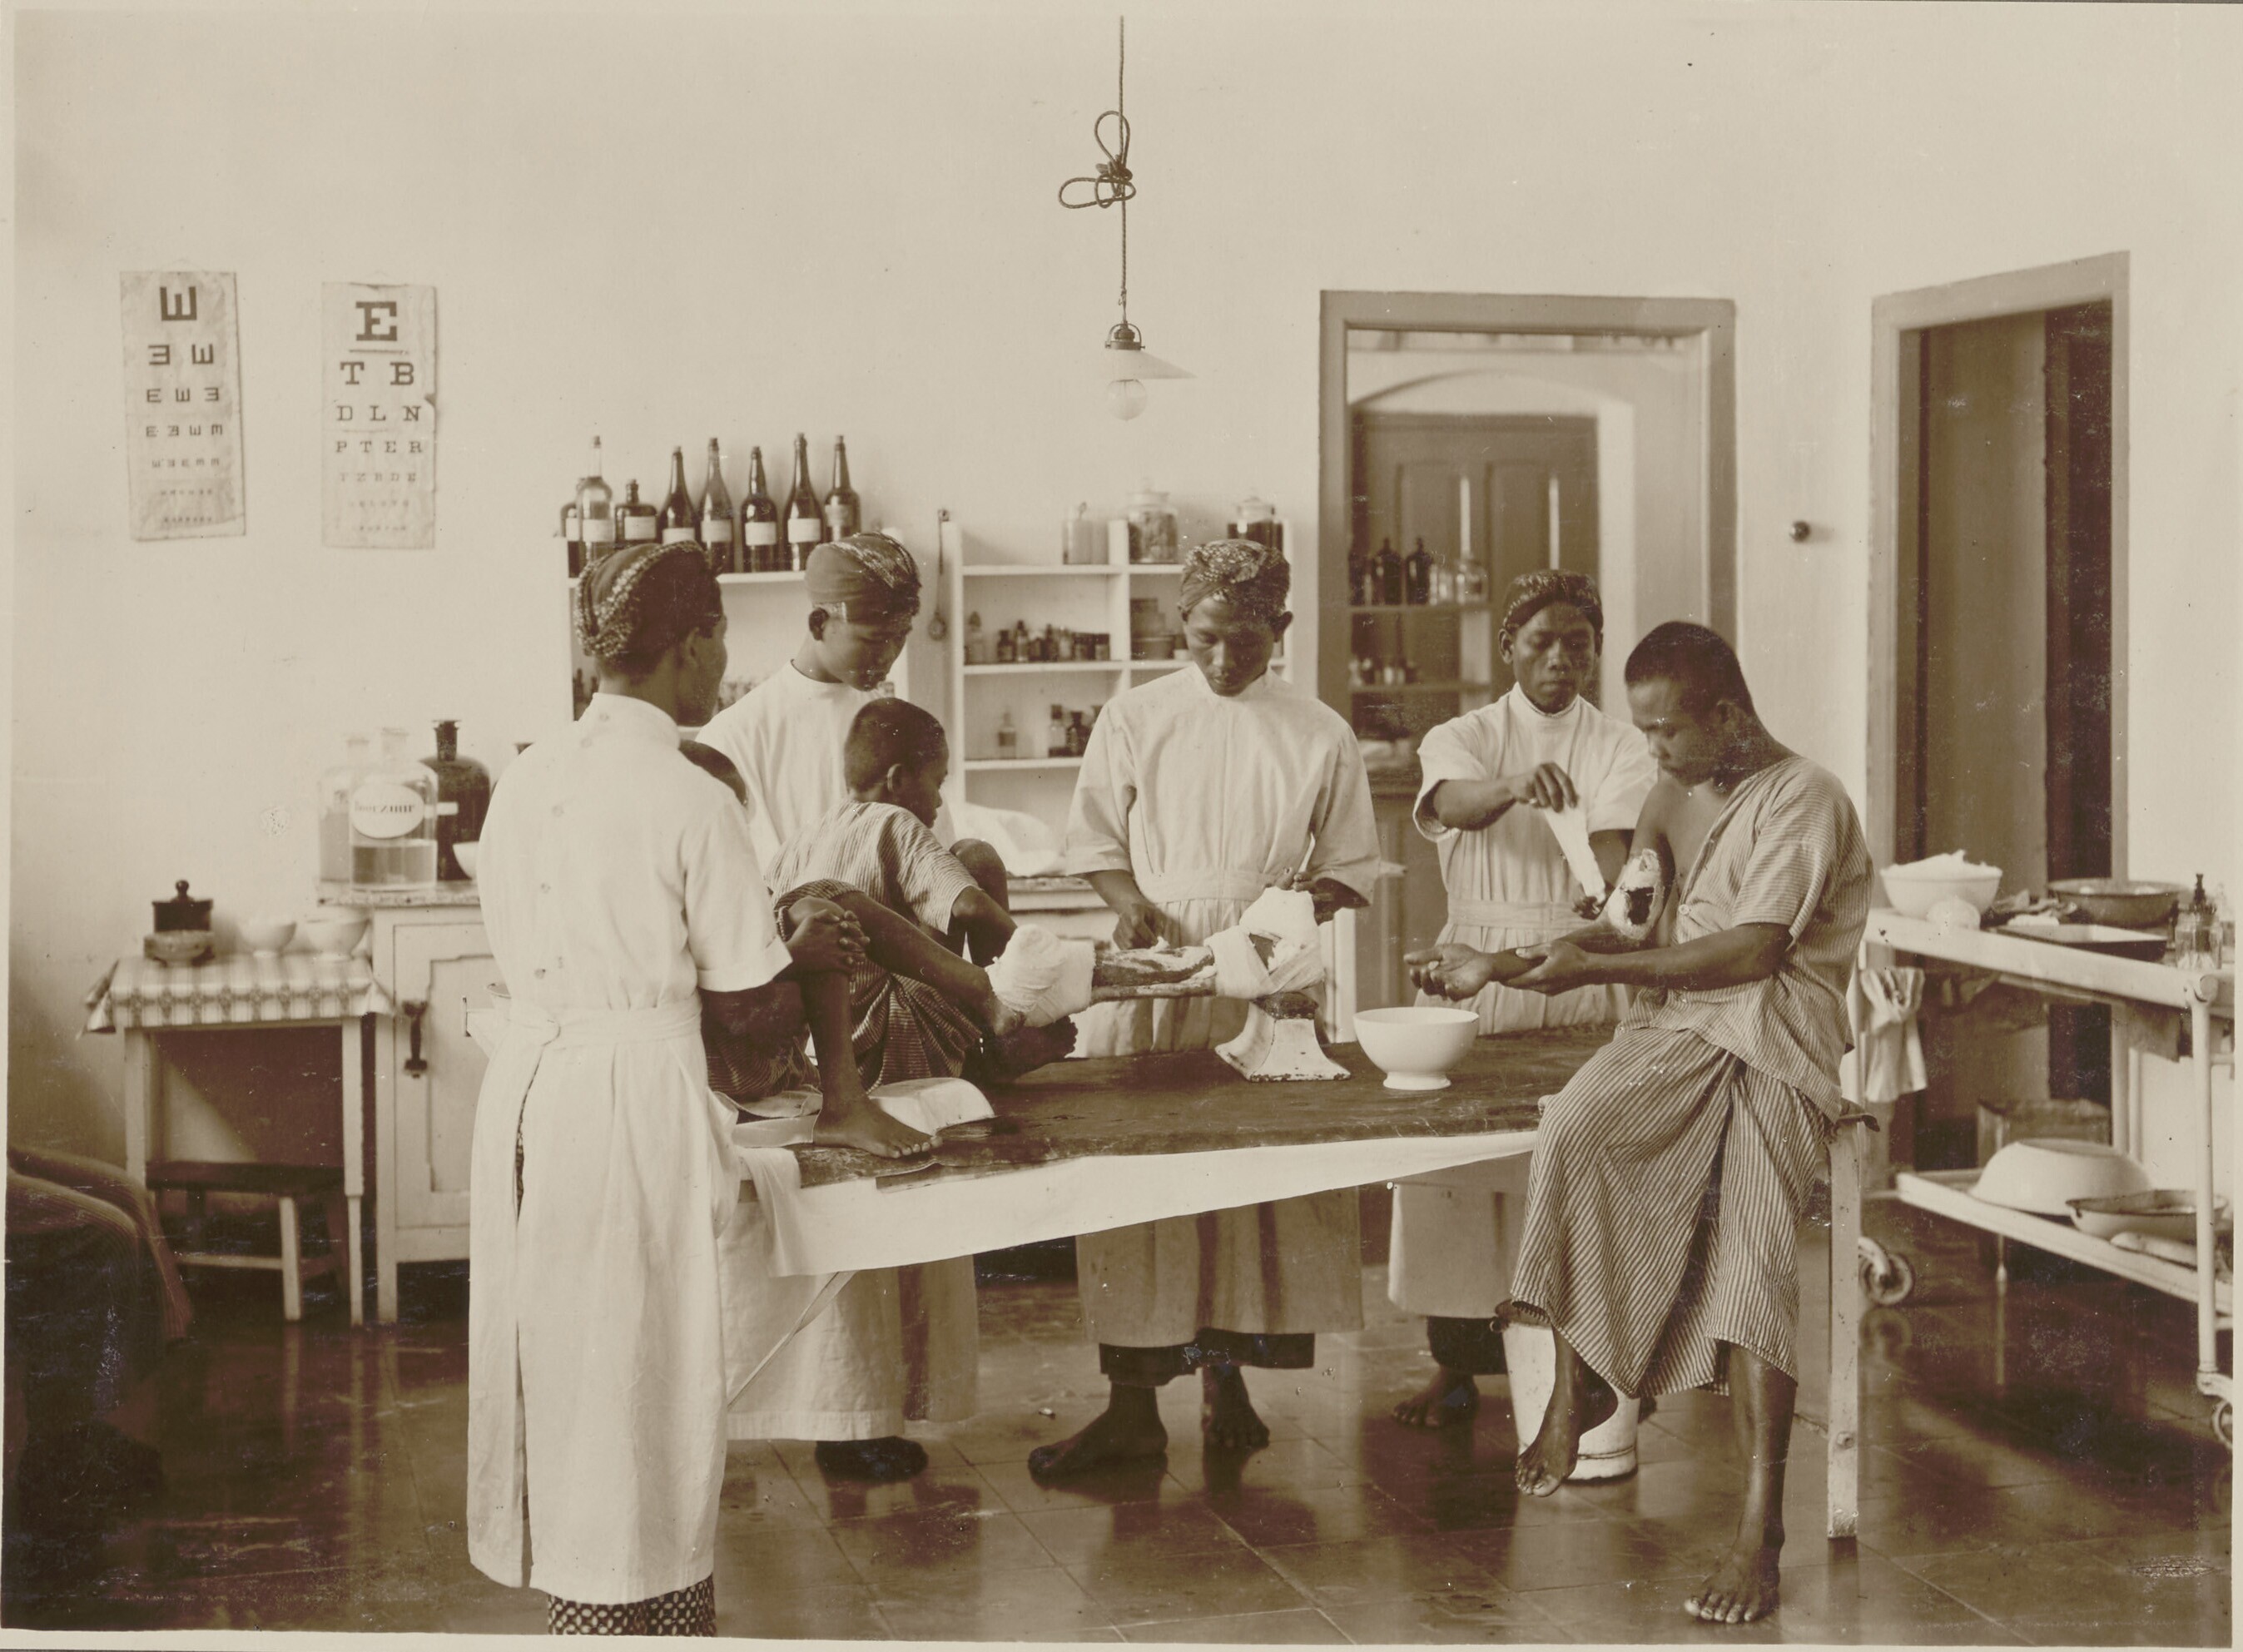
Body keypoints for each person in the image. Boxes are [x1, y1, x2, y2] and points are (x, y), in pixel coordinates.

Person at [466, 542, 926, 1635]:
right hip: (630, 1103)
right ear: (692, 642)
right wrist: (805, 955)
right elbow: (751, 1020)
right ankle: (637, 1616)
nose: (723, 663)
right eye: (718, 638)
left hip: (532, 1094)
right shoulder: (684, 791)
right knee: (641, 1372)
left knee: (562, 1362)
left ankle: (597, 1609)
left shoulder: (525, 774)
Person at [1410, 620, 1873, 1625]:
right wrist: (1504, 963)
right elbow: (1628, 923)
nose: (1652, 749)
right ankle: (1580, 1378)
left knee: (1752, 1257)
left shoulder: (1805, 797)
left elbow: (1752, 951)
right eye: (1644, 729)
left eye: (1668, 730)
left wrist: (1594, 967)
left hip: (1775, 1040)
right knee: (1573, 1122)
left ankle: (1758, 1530)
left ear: (1727, 713)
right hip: (1677, 1027)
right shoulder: (1668, 796)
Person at [1030, 538, 1380, 1483]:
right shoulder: (1136, 716)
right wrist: (1128, 903)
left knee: (1248, 1183)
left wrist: (1286, 913)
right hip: (1156, 968)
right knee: (1141, 1183)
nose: (1223, 660)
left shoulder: (1317, 731)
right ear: (1180, 625)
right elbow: (1094, 842)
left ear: (1283, 629)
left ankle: (1230, 1379)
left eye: (1247, 641)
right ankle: (1131, 1407)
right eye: (1205, 638)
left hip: (1265, 967)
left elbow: (1349, 867)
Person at [687, 712, 1072, 1484]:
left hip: (799, 1046)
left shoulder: (777, 854)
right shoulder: (886, 824)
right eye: (936, 781)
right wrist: (1033, 956)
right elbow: (963, 904)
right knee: (940, 872)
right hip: (791, 1047)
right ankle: (1002, 1006)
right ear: (900, 779)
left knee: (846, 893)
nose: (939, 798)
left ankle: (995, 1019)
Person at [1386, 572, 1658, 1439]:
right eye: (1541, 641)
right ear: (1508, 646)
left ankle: (1585, 1364)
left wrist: (1603, 890)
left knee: (1570, 1166)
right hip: (1476, 960)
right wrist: (1512, 784)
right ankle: (1455, 1362)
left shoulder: (1620, 742)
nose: (1559, 659)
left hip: (1578, 960)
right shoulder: (1463, 734)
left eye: (1578, 643)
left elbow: (1611, 842)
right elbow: (1449, 803)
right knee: (1463, 1177)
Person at [697, 532, 939, 871]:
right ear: (818, 624)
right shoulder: (733, 735)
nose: (889, 655)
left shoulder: (898, 726)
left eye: (900, 638)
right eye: (874, 640)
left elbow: (932, 855)